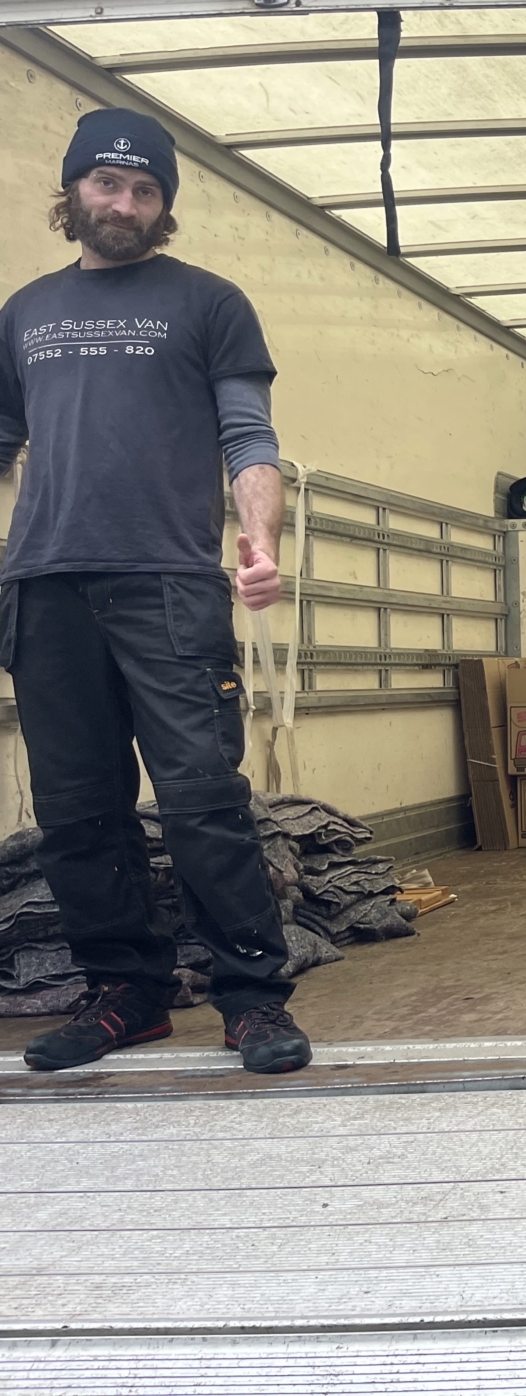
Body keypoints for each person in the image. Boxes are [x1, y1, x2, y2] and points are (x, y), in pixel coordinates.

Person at [0, 108, 312, 1074]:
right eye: (107, 184)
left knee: (201, 800)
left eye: (144, 190)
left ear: (163, 206)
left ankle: (252, 997)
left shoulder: (209, 302)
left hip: (169, 584)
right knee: (79, 810)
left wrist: (257, 540)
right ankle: (123, 994)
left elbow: (249, 436)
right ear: (74, 192)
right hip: (44, 585)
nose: (124, 203)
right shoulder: (23, 313)